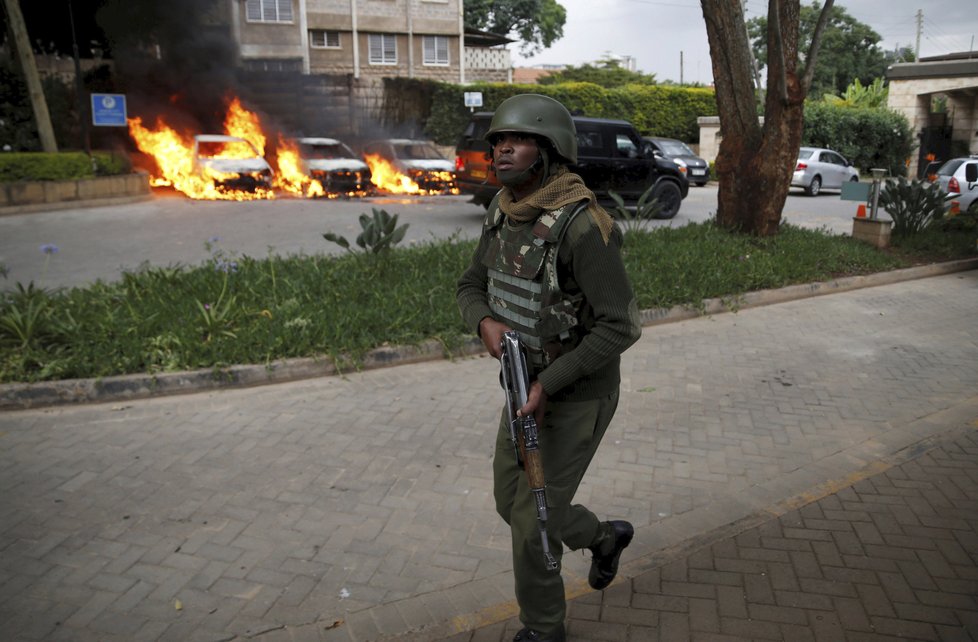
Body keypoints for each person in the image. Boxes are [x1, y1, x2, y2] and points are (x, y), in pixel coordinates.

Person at [456, 94, 643, 642]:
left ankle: (544, 629)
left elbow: (620, 325)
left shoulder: (585, 226)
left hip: (576, 395)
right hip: (523, 387)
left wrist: (549, 382)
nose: (501, 148)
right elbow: (470, 286)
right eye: (497, 140)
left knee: (531, 521)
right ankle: (604, 537)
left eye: (516, 139)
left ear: (550, 149)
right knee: (508, 502)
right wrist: (485, 323)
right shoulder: (502, 209)